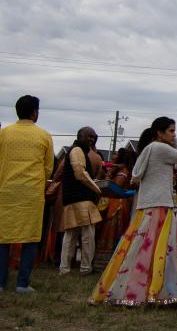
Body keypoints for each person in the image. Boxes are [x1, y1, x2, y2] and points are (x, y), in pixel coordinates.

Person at [91, 117, 177, 305]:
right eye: (171, 131)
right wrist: (176, 141)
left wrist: (171, 139)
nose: (174, 134)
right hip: (159, 204)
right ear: (159, 133)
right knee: (161, 248)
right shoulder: (160, 148)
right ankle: (153, 290)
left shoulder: (149, 149)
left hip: (148, 205)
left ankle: (139, 289)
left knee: (141, 248)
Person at [0, 95, 55, 293]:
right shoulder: (44, 135)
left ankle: (0, 282)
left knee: (3, 237)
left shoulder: (4, 134)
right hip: (31, 193)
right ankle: (22, 283)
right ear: (34, 112)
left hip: (5, 191)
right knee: (31, 237)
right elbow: (48, 168)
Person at [59, 127, 102, 275]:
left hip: (71, 198)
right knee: (87, 236)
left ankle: (64, 268)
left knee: (70, 235)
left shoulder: (76, 150)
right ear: (80, 136)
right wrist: (97, 188)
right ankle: (85, 268)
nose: (91, 139)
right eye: (89, 136)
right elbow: (80, 173)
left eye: (93, 137)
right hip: (82, 198)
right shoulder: (77, 150)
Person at [93, 147, 134, 270]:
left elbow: (117, 186)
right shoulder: (117, 169)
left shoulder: (123, 171)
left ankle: (108, 264)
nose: (113, 155)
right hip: (113, 203)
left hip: (118, 205)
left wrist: (109, 177)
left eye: (116, 153)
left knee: (111, 231)